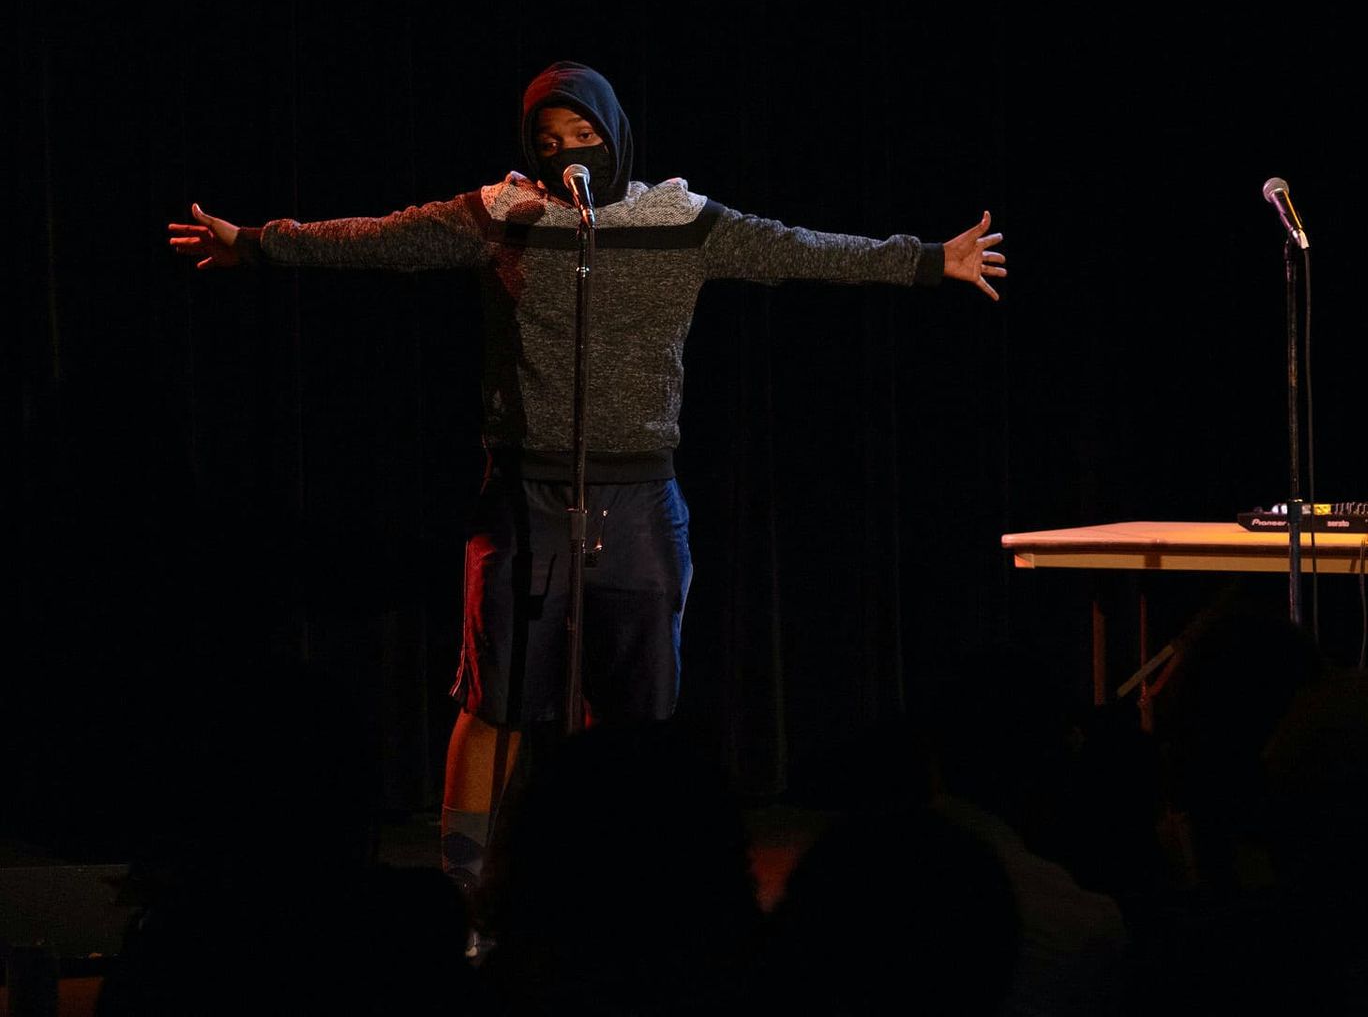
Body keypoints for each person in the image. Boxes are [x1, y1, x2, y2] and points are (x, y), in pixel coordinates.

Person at [168, 60, 1007, 905]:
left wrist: (930, 260)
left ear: (616, 137)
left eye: (584, 137)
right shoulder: (503, 216)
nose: (567, 152)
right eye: (549, 140)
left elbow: (800, 250)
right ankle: (467, 888)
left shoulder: (681, 220)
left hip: (641, 500)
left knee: (638, 719)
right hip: (524, 499)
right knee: (494, 703)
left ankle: (623, 885)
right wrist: (259, 242)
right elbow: (381, 237)